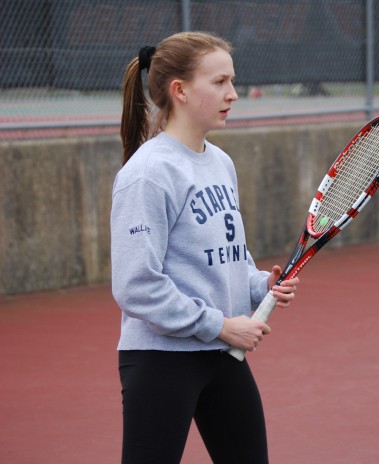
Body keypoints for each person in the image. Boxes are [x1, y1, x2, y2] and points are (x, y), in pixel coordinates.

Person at [111, 31, 300, 464]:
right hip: (161, 360)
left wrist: (259, 285)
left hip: (221, 355)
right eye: (219, 82)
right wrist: (219, 325)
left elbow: (229, 256)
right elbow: (136, 285)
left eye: (232, 81)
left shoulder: (220, 162)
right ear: (179, 90)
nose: (233, 94)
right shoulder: (148, 173)